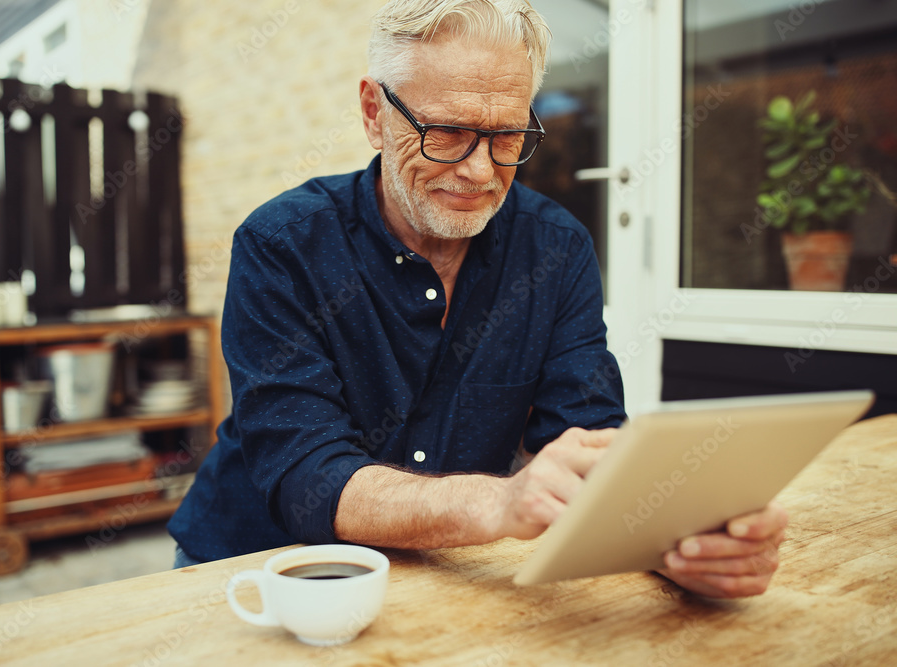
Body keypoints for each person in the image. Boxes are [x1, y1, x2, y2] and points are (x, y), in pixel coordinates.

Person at [169, 0, 787, 598]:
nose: (480, 172)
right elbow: (307, 473)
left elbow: (586, 437)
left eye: (507, 136)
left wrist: (679, 545)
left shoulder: (557, 248)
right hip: (257, 571)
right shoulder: (283, 244)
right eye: (447, 132)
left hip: (446, 575)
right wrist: (503, 501)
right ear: (371, 113)